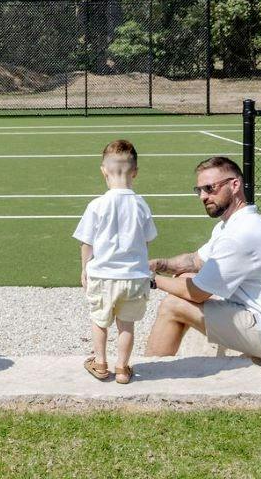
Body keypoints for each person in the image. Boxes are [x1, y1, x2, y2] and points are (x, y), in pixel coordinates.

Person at [143, 156, 261, 361]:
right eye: (199, 190)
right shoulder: (234, 224)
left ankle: (151, 373)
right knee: (185, 275)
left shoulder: (240, 235)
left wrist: (149, 279)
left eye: (210, 188)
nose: (203, 196)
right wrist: (158, 264)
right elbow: (195, 261)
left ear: (235, 185)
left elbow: (197, 294)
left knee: (173, 305)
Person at [74, 139, 156, 383]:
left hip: (102, 275)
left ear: (103, 171)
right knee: (126, 325)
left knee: (100, 321)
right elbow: (147, 239)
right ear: (135, 173)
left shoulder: (97, 204)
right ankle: (122, 368)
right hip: (133, 276)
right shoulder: (141, 204)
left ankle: (100, 363)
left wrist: (84, 269)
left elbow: (86, 242)